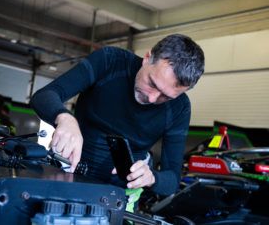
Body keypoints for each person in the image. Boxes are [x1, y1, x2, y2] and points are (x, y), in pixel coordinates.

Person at [30, 34, 204, 199]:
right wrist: (64, 118)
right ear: (147, 58)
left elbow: (172, 179)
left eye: (165, 96)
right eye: (152, 83)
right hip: (65, 178)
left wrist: (152, 178)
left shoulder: (180, 108)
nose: (152, 98)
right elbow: (44, 96)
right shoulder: (110, 61)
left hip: (119, 199)